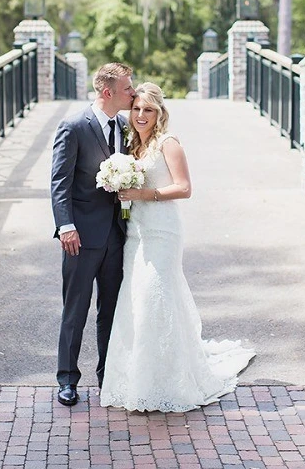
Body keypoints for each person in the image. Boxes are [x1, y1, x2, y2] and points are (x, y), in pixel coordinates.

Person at [101, 82, 255, 412]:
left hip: (162, 231)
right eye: (137, 108)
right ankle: (137, 379)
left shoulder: (168, 143)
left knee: (158, 297)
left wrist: (144, 195)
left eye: (148, 110)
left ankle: (168, 380)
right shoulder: (131, 146)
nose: (141, 115)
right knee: (136, 301)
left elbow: (184, 188)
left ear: (160, 113)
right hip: (136, 233)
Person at [50, 62, 136, 406]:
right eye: (128, 88)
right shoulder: (73, 126)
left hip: (117, 235)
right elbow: (59, 182)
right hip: (81, 236)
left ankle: (108, 376)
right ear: (108, 92)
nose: (133, 92)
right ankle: (67, 379)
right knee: (75, 309)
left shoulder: (127, 127)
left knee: (111, 310)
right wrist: (65, 226)